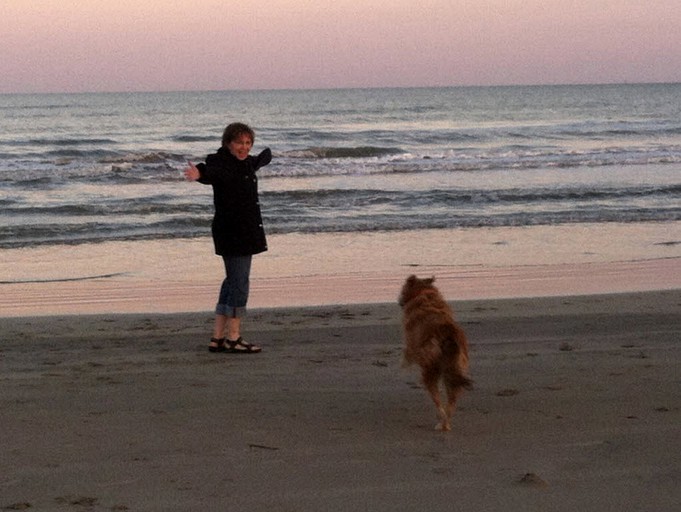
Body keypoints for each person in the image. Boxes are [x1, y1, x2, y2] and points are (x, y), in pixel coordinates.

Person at [184, 122, 271, 353]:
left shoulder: (246, 163)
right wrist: (198, 174)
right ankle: (233, 337)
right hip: (232, 233)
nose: (244, 147)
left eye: (248, 143)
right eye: (239, 142)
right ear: (228, 143)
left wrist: (262, 158)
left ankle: (217, 338)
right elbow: (209, 171)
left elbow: (260, 159)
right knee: (239, 284)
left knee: (231, 281)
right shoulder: (221, 164)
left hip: (246, 231)